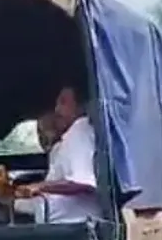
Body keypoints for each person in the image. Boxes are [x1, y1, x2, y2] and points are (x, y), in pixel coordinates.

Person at [18, 87, 101, 223]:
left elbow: (81, 182)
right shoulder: (65, 141)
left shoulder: (79, 131)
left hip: (79, 224)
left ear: (79, 106)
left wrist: (39, 187)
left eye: (63, 102)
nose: (57, 109)